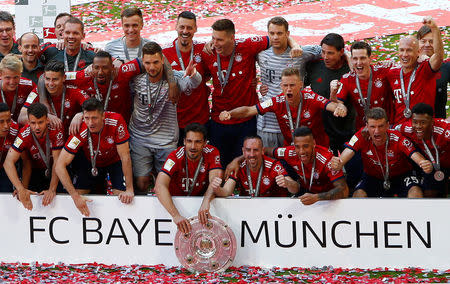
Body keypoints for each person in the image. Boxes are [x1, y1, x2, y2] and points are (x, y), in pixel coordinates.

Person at [201, 18, 302, 167]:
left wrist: (295, 45)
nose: (215, 43)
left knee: (246, 165)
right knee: (220, 165)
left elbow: (278, 37)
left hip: (246, 120)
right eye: (213, 38)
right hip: (219, 118)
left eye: (220, 40)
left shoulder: (248, 45)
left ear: (232, 38)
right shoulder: (207, 52)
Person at [129, 41, 201, 193]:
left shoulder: (174, 78)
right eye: (148, 63)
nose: (152, 67)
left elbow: (195, 83)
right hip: (140, 138)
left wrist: (194, 74)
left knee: (167, 183)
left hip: (166, 140)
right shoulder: (136, 79)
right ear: (143, 62)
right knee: (141, 182)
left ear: (163, 60)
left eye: (156, 62)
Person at [219, 67, 347, 147]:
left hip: (317, 148)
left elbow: (333, 106)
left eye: (292, 85)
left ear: (301, 85)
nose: (288, 89)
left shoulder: (311, 97)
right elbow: (249, 110)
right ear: (281, 86)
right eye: (285, 85)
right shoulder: (276, 101)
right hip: (292, 150)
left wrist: (340, 109)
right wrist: (230, 113)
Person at [55, 98, 134, 216]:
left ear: (103, 116)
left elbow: (125, 157)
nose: (90, 123)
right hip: (91, 162)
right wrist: (75, 197)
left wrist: (129, 189)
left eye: (95, 118)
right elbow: (59, 166)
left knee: (123, 196)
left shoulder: (116, 121)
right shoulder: (80, 129)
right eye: (87, 118)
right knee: (78, 194)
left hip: (114, 161)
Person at [331, 107, 433, 198]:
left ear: (388, 125)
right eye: (372, 127)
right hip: (373, 177)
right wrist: (339, 163)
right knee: (358, 195)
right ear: (367, 126)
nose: (376, 131)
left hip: (401, 176)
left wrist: (424, 164)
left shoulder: (397, 137)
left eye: (380, 126)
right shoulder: (361, 136)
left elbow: (415, 156)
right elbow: (347, 152)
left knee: (416, 192)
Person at [257, 16, 321, 148]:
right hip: (267, 124)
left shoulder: (300, 53)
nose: (275, 37)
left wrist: (295, 44)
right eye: (272, 33)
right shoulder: (260, 53)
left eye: (280, 33)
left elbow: (326, 50)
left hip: (294, 123)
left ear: (287, 34)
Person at [155, 123, 223, 234]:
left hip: (200, 204)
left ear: (205, 143)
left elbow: (214, 181)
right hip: (175, 204)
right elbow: (159, 185)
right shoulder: (175, 156)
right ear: (184, 142)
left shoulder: (212, 152)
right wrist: (175, 215)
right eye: (189, 141)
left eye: (198, 142)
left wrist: (206, 200)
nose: (192, 146)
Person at [266, 126, 348, 205]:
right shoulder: (290, 152)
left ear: (314, 144)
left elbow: (344, 191)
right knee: (281, 163)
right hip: (305, 193)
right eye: (297, 147)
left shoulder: (327, 159)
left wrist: (317, 197)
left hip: (327, 199)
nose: (301, 151)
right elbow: (267, 150)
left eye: (305, 146)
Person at [4, 103, 64, 210]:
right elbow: (8, 162)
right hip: (35, 170)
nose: (37, 127)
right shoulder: (24, 133)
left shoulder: (56, 130)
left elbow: (57, 162)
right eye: (33, 123)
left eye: (40, 122)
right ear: (28, 122)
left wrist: (52, 189)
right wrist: (21, 188)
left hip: (56, 170)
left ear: (47, 120)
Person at [162, 11, 210, 145]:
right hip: (175, 120)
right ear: (176, 27)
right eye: (182, 27)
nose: (185, 31)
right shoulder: (164, 53)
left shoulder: (204, 49)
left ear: (195, 29)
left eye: (189, 28)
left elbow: (213, 73)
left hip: (200, 118)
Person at [387, 17, 444, 126]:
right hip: (400, 129)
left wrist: (435, 29)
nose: (404, 54)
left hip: (421, 129)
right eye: (401, 50)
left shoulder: (425, 68)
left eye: (409, 50)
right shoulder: (391, 73)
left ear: (418, 52)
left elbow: (439, 57)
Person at [304, 33, 354, 154]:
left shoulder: (350, 69)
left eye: (330, 53)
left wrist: (349, 57)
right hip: (322, 132)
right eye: (323, 52)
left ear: (341, 51)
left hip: (348, 129)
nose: (325, 57)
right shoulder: (314, 66)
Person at [65, 50, 143, 123]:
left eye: (105, 68)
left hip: (122, 126)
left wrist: (121, 61)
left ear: (112, 67)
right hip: (95, 126)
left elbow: (145, 61)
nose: (100, 72)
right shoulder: (84, 76)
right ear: (92, 67)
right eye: (96, 68)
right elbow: (61, 76)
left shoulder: (122, 71)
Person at [330, 41, 392, 130]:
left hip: (388, 125)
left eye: (362, 58)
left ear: (370, 59)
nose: (359, 63)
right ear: (351, 59)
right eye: (355, 58)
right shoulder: (347, 79)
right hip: (363, 128)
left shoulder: (384, 71)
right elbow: (337, 104)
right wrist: (333, 93)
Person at [212, 135, 299, 198]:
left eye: (256, 150)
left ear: (262, 151)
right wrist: (217, 189)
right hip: (249, 209)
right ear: (243, 151)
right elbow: (226, 191)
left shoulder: (273, 165)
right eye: (248, 150)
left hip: (273, 209)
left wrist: (288, 183)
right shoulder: (239, 166)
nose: (252, 154)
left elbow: (296, 189)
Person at [18, 61, 89, 136]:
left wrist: (80, 114)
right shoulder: (37, 92)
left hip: (71, 137)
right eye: (48, 79)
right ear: (44, 78)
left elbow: (93, 108)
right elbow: (21, 118)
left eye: (55, 79)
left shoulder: (73, 91)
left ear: (64, 78)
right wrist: (45, 116)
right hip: (49, 140)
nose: (51, 84)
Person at [395, 103, 449, 197]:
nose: (418, 126)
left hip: (446, 164)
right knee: (429, 194)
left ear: (432, 122)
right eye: (415, 122)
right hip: (433, 166)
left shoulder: (444, 130)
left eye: (423, 122)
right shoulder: (408, 128)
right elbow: (392, 130)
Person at [417, 24, 449, 119]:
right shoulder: (408, 66)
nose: (427, 45)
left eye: (432, 41)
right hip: (412, 126)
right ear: (417, 42)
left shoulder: (446, 67)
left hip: (439, 125)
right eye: (423, 41)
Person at [0, 54, 35, 121]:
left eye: (16, 77)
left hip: (21, 126)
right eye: (8, 77)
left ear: (20, 74)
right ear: (0, 74)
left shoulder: (29, 86)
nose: (12, 82)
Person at [0, 103, 18, 192]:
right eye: (1, 121)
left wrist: (20, 187)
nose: (6, 126)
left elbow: (26, 161)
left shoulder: (15, 130)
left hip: (6, 171)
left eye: (8, 120)